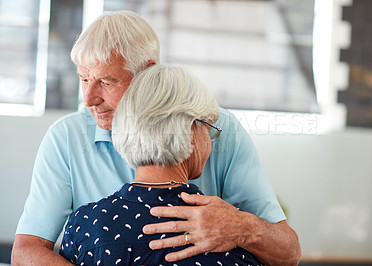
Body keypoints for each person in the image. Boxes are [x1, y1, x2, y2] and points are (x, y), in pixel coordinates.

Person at [11, 10, 300, 265]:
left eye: (107, 81)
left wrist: (243, 227)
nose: (88, 98)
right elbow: (25, 253)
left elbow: (288, 253)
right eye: (84, 79)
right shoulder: (66, 137)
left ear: (148, 73)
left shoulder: (213, 125)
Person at [59, 64, 263, 265]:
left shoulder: (84, 226)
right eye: (208, 129)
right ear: (191, 131)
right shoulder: (229, 240)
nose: (209, 141)